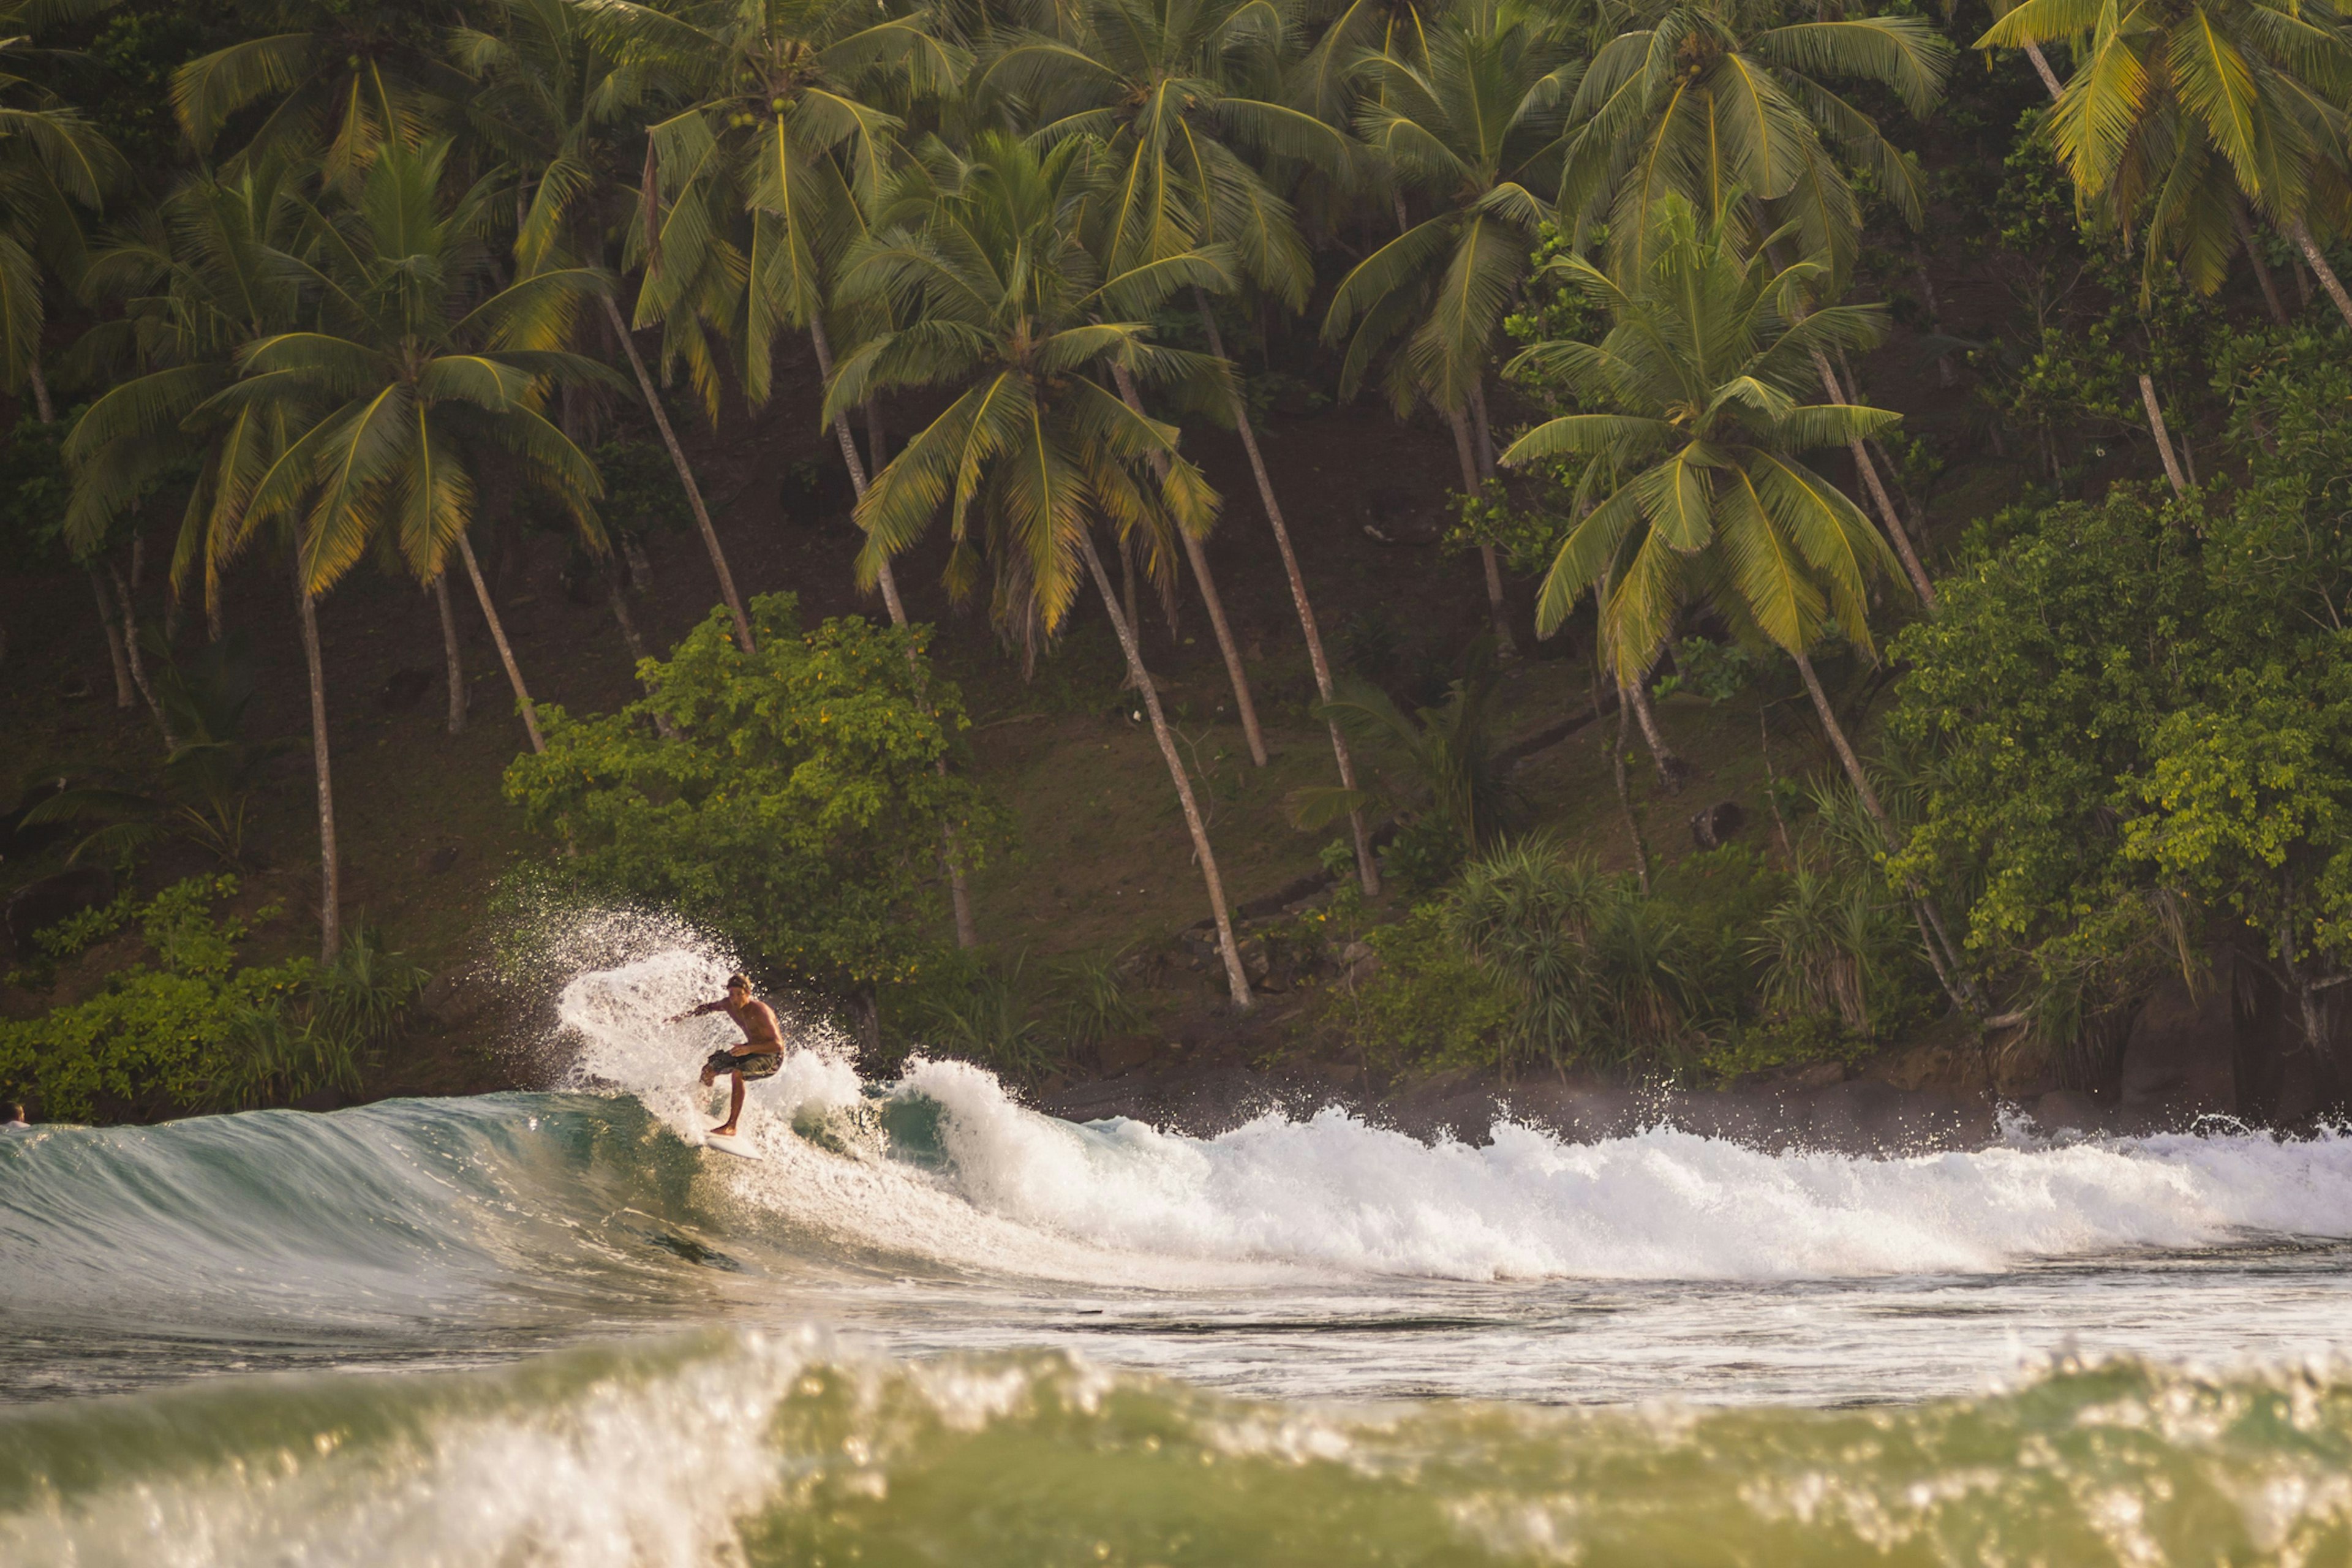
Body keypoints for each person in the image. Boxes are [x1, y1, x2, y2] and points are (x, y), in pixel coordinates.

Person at [668, 974, 783, 1138]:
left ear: (748, 993)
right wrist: (682, 1017)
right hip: (749, 1050)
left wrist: (749, 1049)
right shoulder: (728, 1005)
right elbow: (707, 1008)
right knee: (709, 1069)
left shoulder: (760, 1011)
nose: (735, 998)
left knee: (738, 1074)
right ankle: (700, 1108)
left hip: (771, 1056)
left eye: (739, 994)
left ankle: (731, 1126)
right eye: (731, 994)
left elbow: (777, 1044)